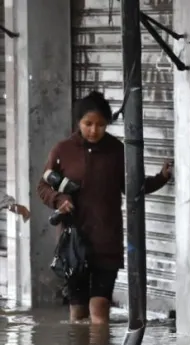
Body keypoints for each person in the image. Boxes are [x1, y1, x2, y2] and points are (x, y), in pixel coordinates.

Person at [37, 90, 173, 324]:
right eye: (88, 124)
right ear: (78, 122)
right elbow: (43, 187)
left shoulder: (118, 150)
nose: (93, 130)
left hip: (106, 239)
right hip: (74, 243)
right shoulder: (62, 150)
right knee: (77, 314)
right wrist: (60, 200)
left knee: (100, 310)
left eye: (100, 125)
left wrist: (161, 178)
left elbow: (132, 186)